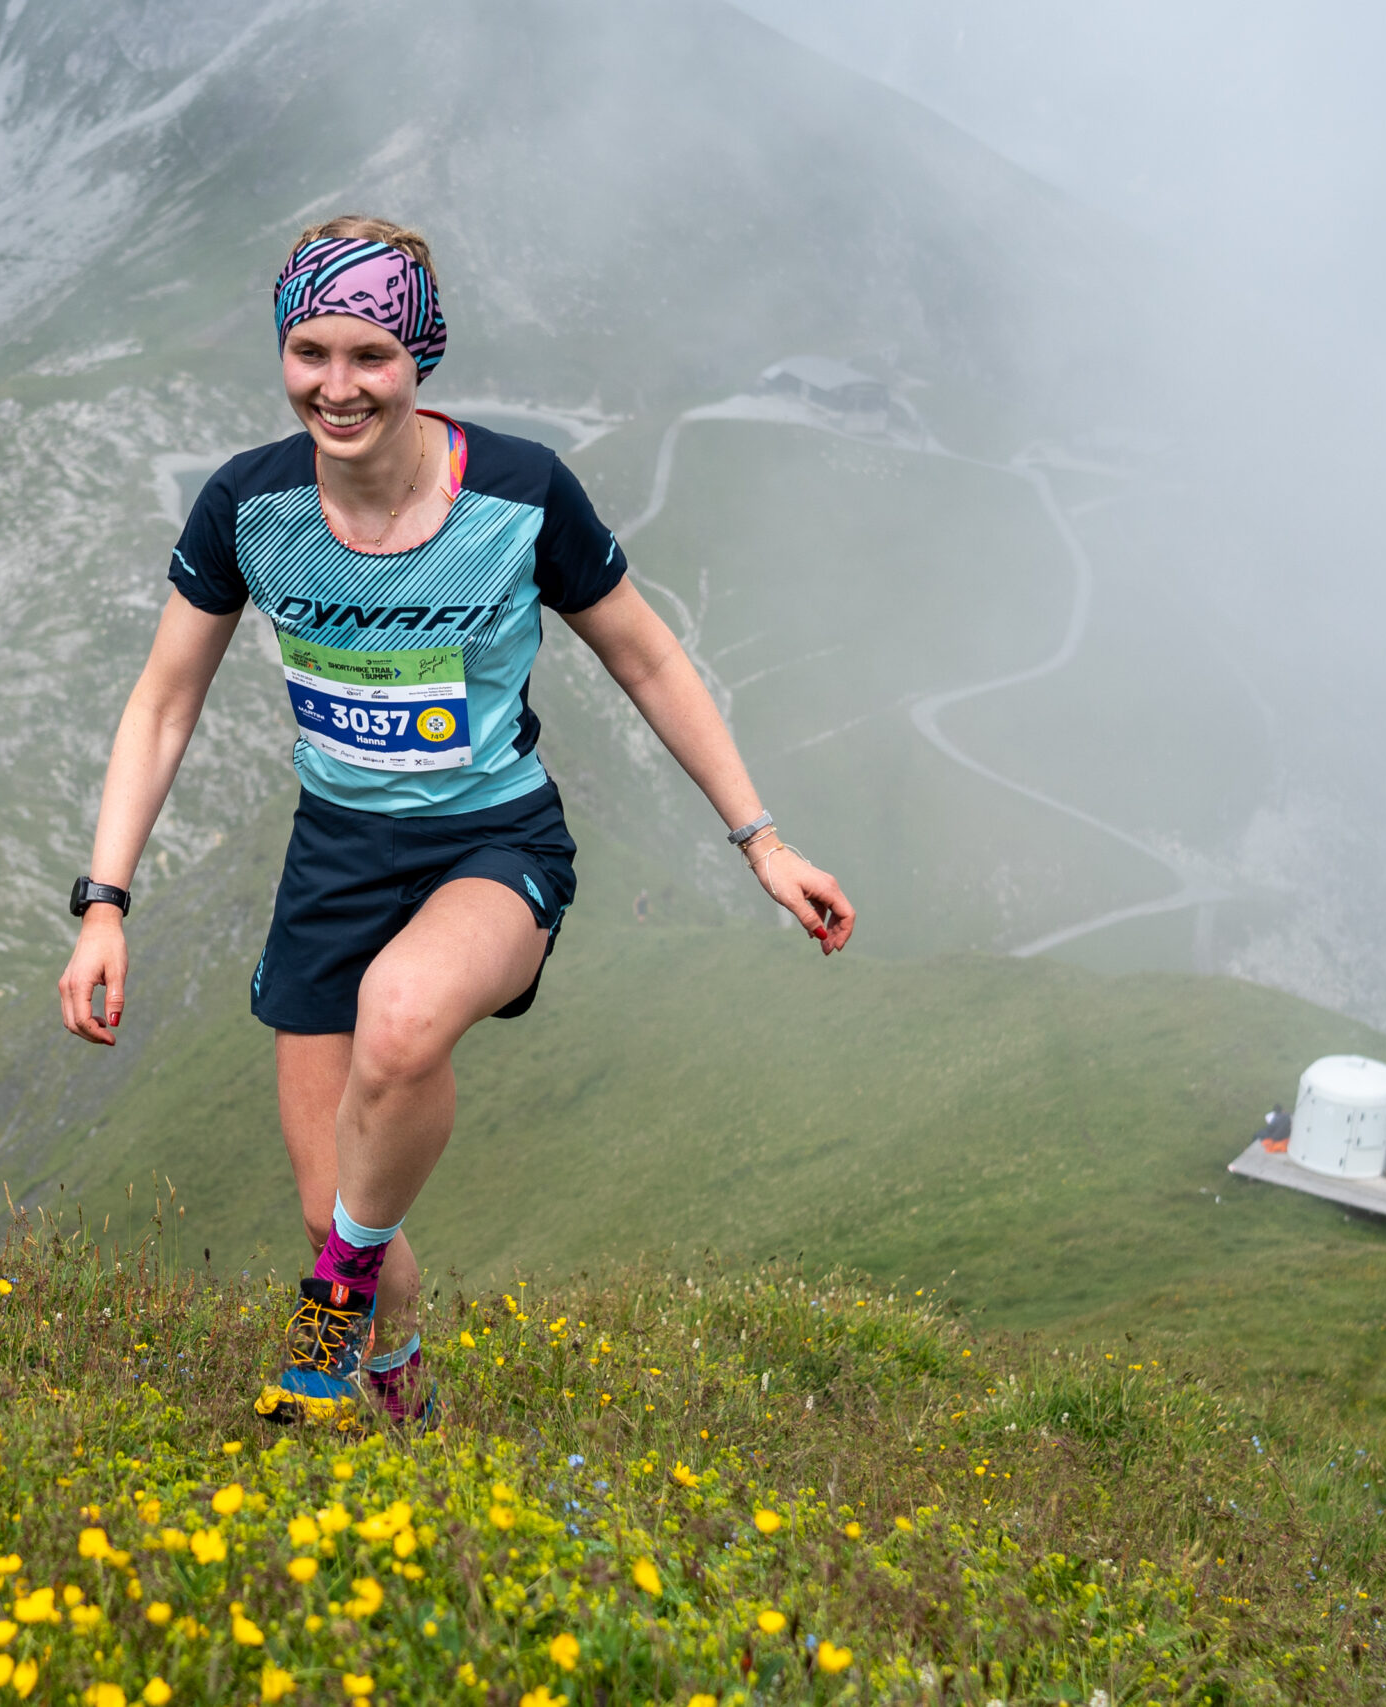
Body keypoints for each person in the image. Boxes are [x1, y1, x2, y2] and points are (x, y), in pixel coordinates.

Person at [56, 216, 855, 1426]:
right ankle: (393, 1366)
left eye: (370, 355)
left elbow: (647, 661)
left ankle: (325, 1329)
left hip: (493, 845)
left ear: (419, 355)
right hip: (334, 854)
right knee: (335, 1206)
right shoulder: (247, 506)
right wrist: (104, 904)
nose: (338, 386)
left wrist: (763, 841)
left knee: (402, 1018)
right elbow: (163, 705)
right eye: (310, 352)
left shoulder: (523, 494)